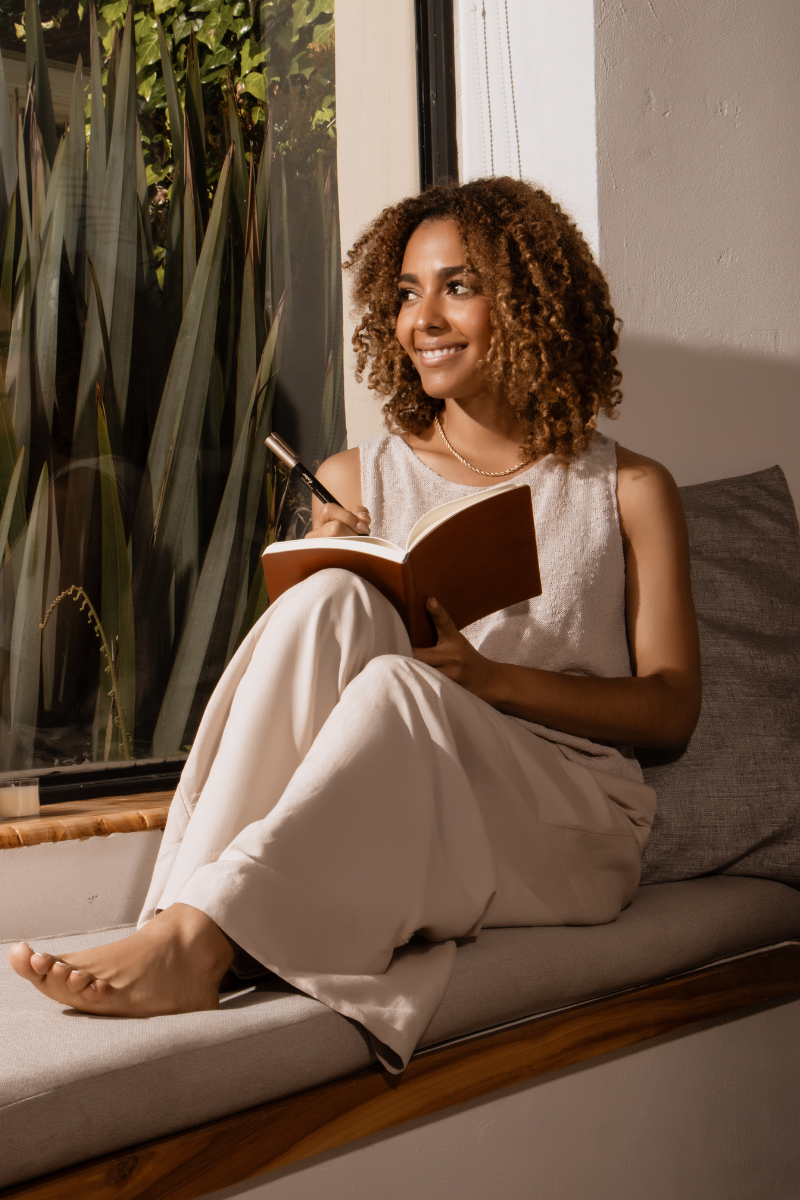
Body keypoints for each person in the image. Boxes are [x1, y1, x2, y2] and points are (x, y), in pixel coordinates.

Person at [9, 177, 701, 1072]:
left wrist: (488, 682)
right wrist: (323, 569)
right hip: (407, 791)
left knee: (400, 685)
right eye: (407, 293)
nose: (424, 319)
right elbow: (298, 687)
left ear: (531, 302)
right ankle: (183, 921)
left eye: (459, 286)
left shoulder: (627, 490)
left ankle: (198, 938)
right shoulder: (356, 476)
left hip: (567, 817)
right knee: (333, 601)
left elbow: (673, 712)